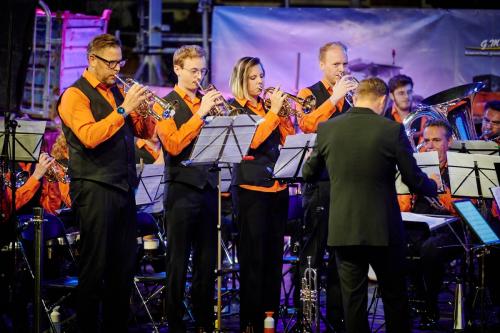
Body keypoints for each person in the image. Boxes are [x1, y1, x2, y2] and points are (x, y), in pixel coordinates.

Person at [302, 77, 438, 333]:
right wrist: (433, 186)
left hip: (344, 229)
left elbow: (308, 173)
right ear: (383, 100)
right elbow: (413, 179)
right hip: (383, 229)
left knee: (352, 300)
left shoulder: (327, 129)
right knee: (395, 297)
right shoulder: (391, 130)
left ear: (356, 97)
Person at [58, 33, 156, 332]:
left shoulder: (116, 92)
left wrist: (145, 109)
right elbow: (89, 136)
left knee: (122, 270)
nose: (116, 69)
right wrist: (124, 108)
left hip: (123, 188)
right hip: (94, 187)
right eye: (111, 63)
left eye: (120, 62)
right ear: (92, 60)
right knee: (94, 268)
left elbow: (144, 132)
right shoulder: (75, 95)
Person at [156, 45, 221, 333]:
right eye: (193, 71)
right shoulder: (163, 104)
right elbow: (172, 144)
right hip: (181, 190)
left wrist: (218, 118)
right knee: (178, 261)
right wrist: (201, 115)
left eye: (202, 71)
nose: (199, 77)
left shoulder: (204, 101)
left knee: (207, 262)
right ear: (177, 69)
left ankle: (204, 320)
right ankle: (174, 323)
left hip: (208, 187)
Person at [228, 56, 294, 333]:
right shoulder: (233, 110)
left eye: (261, 76)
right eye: (253, 78)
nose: (260, 82)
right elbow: (250, 141)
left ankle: (270, 321)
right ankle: (250, 323)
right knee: (253, 263)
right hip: (250, 192)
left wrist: (283, 115)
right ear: (242, 81)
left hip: (277, 189)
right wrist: (272, 114)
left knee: (272, 262)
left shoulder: (268, 107)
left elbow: (289, 139)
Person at [295, 41, 357, 331]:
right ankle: (306, 319)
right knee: (313, 254)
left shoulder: (351, 97)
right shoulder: (309, 93)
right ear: (322, 64)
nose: (341, 69)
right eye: (335, 64)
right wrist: (334, 99)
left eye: (344, 63)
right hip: (320, 185)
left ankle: (336, 319)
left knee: (340, 257)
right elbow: (307, 124)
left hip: (347, 186)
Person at [385, 74, 424, 145]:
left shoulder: (422, 114)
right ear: (391, 96)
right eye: (401, 93)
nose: (406, 96)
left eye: (409, 92)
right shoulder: (384, 116)